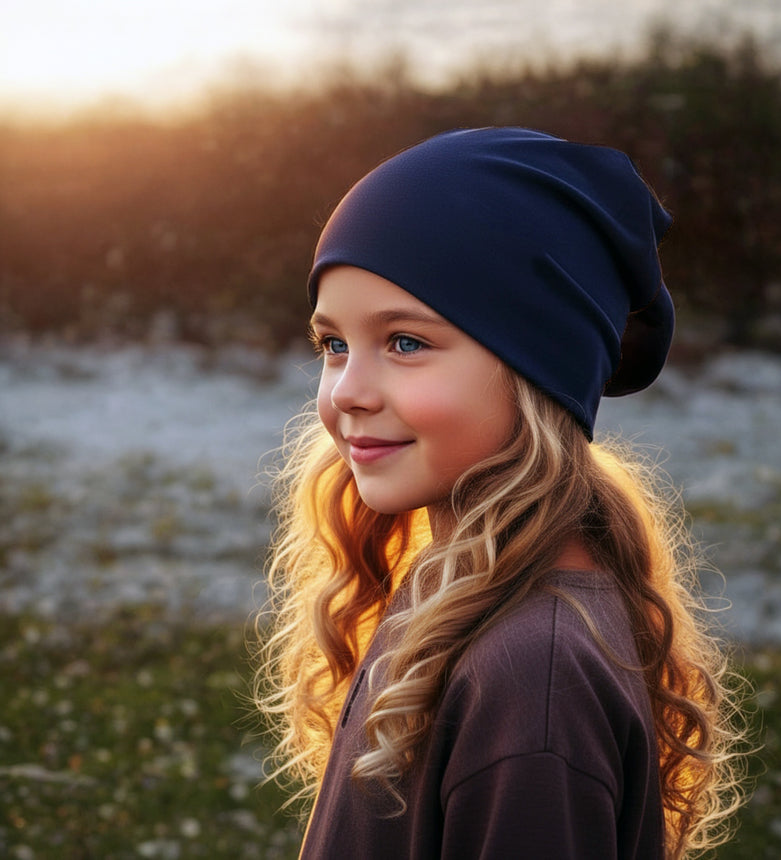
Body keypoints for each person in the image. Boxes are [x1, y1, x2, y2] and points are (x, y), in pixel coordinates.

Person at [254, 127, 748, 859]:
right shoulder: (459, 588)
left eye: (405, 343)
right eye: (333, 345)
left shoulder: (532, 681)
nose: (347, 391)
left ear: (535, 364)